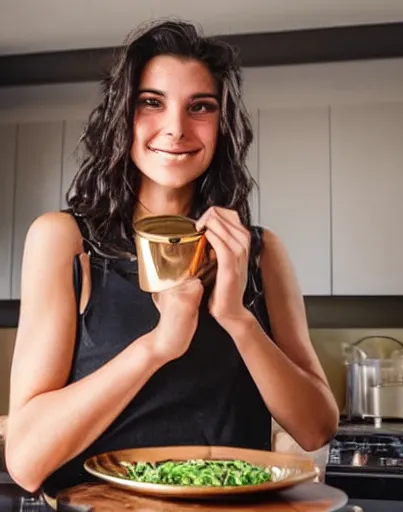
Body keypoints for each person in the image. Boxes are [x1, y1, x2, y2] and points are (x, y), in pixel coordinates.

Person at [5, 18, 339, 498]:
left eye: (199, 107)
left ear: (223, 124)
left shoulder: (260, 253)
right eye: (151, 102)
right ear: (123, 115)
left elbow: (315, 429)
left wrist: (236, 318)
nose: (176, 128)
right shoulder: (65, 241)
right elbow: (27, 462)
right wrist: (158, 345)